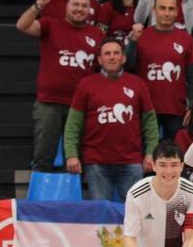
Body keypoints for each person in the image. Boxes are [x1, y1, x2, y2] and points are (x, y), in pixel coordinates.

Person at [16, 0, 103, 171]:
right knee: (42, 156)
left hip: (79, 106)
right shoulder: (51, 25)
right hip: (49, 102)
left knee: (74, 159)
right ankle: (39, 199)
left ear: (89, 10)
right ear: (66, 6)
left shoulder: (97, 35)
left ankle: (71, 199)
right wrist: (38, 6)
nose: (79, 9)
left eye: (84, 6)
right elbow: (22, 26)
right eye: (75, 4)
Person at [63, 38, 158, 200]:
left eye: (116, 53)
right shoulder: (86, 85)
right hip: (96, 162)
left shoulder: (138, 84)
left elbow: (150, 123)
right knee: (101, 216)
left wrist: (150, 153)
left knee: (133, 215)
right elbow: (73, 124)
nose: (112, 57)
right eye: (107, 54)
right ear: (100, 59)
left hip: (131, 161)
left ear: (124, 58)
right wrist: (71, 154)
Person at [128, 0, 193, 141]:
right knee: (147, 155)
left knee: (173, 154)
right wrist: (133, 42)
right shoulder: (142, 36)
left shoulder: (187, 39)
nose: (167, 13)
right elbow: (128, 67)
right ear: (154, 10)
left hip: (176, 109)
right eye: (162, 8)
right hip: (145, 108)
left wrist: (192, 105)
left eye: (171, 9)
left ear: (177, 11)